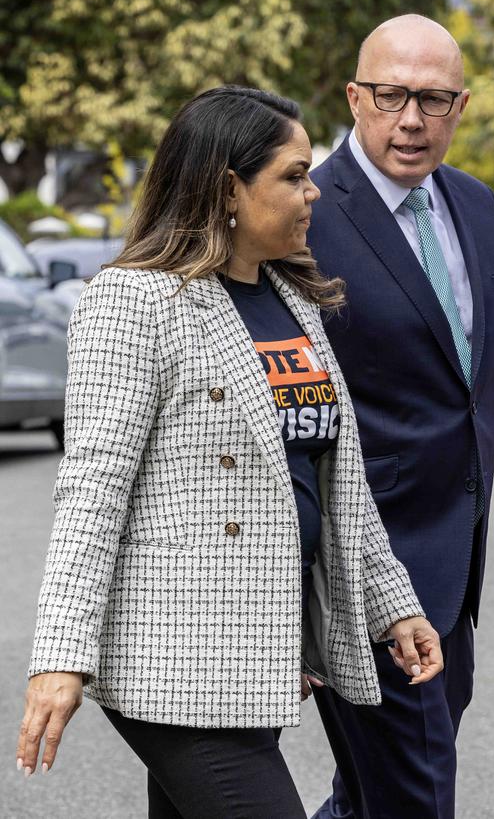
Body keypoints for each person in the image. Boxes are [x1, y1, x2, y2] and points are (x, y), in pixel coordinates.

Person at [16, 85, 444, 819]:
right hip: (175, 656)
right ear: (228, 188)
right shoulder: (134, 300)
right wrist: (59, 656)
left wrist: (391, 603)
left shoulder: (293, 298)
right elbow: (91, 486)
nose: (313, 192)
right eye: (292, 173)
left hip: (257, 650)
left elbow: (335, 479)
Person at [306, 15, 494, 819]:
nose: (412, 117)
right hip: (361, 579)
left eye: (434, 99)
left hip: (455, 578)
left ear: (461, 106)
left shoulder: (477, 208)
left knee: (371, 795)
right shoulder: (305, 214)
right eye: (391, 95)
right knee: (414, 793)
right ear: (355, 97)